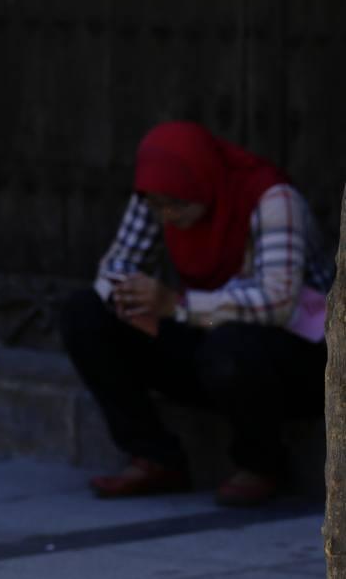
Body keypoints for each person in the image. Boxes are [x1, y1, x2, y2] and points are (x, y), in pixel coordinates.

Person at [61, 121, 334, 506]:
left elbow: (278, 303)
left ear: (203, 181)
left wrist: (177, 306)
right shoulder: (157, 197)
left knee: (230, 347)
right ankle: (154, 456)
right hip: (207, 332)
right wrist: (127, 295)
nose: (167, 216)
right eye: (159, 206)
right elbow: (117, 265)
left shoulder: (272, 200)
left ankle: (262, 463)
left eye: (177, 205)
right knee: (86, 313)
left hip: (291, 351)